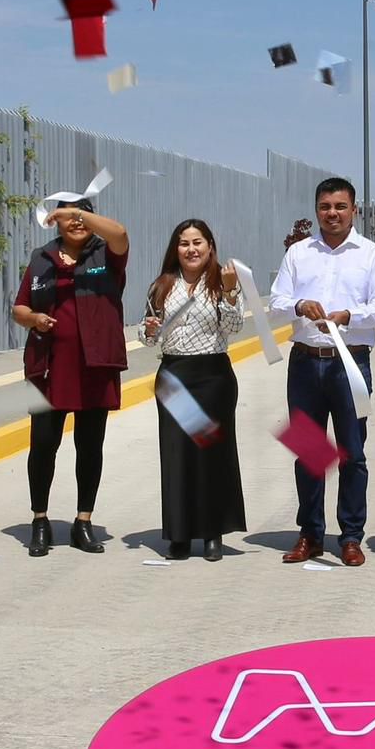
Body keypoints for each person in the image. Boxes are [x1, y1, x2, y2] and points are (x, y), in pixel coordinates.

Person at [269, 178, 375, 567]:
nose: (332, 213)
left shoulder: (371, 255)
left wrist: (349, 316)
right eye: (325, 206)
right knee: (309, 453)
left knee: (352, 453)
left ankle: (351, 536)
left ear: (354, 210)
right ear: (317, 210)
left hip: (350, 364)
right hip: (305, 363)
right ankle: (310, 533)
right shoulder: (298, 254)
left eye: (340, 206)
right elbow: (276, 301)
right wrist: (299, 305)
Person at [12, 198, 129, 557]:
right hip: (48, 369)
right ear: (57, 223)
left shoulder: (106, 254)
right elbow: (19, 308)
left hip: (95, 367)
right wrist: (33, 319)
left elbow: (121, 233)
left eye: (82, 216)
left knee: (89, 446)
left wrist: (80, 215)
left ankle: (83, 521)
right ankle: (40, 520)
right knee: (43, 445)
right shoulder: (41, 258)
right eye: (68, 217)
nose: (76, 223)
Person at [141, 220, 247, 562]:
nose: (191, 249)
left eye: (197, 242)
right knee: (178, 455)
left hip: (212, 376)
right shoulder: (162, 285)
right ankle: (180, 534)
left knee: (211, 455)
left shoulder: (223, 282)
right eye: (184, 243)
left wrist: (230, 293)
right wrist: (150, 329)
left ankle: (213, 532)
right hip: (175, 375)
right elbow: (148, 336)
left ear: (210, 246)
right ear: (176, 249)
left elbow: (234, 326)